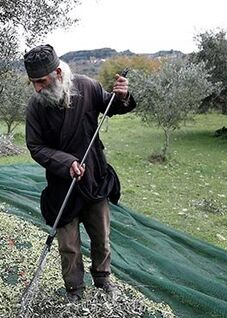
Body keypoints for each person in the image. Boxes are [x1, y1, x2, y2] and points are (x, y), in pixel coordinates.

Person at [23, 44, 136, 301]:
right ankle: (74, 289)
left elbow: (111, 106)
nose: (37, 88)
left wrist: (121, 96)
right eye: (33, 83)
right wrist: (67, 163)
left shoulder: (87, 86)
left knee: (101, 236)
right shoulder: (36, 107)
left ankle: (103, 279)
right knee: (69, 245)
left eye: (41, 81)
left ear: (59, 74)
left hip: (94, 176)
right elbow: (36, 147)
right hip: (61, 184)